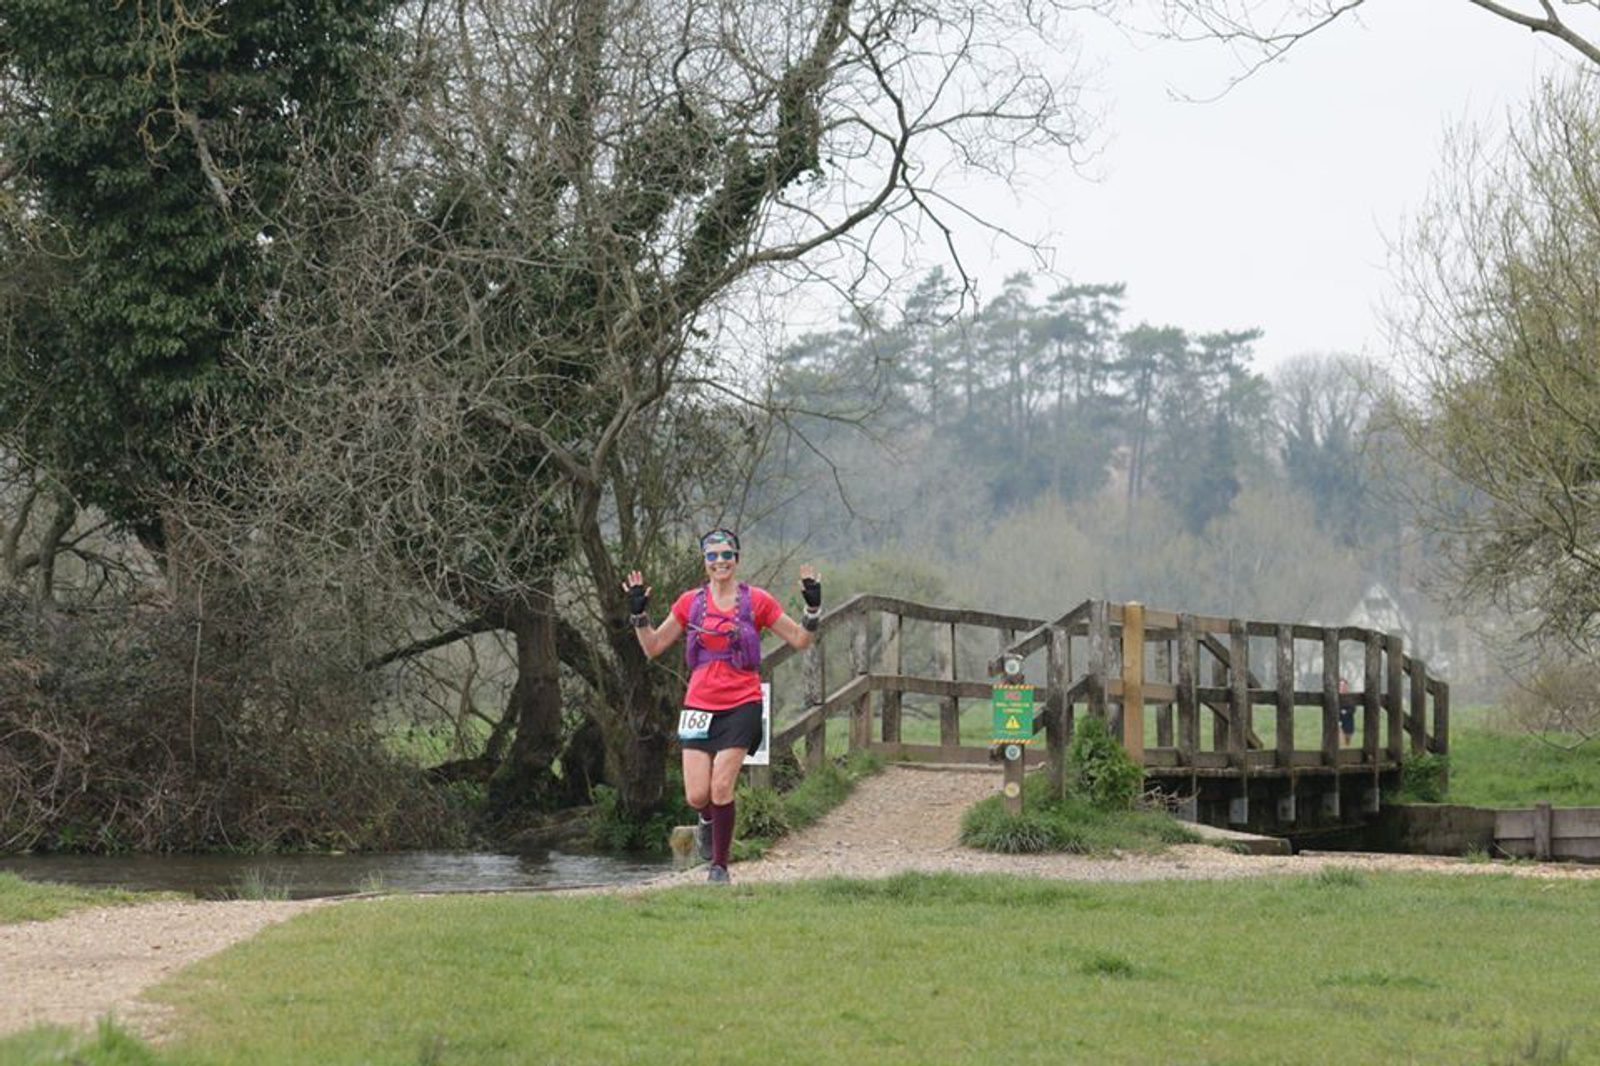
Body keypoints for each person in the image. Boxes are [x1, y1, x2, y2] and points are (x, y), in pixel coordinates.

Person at [623, 529, 821, 884]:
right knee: (698, 794)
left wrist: (812, 608)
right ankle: (707, 819)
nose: (720, 562)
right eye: (712, 556)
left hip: (742, 703)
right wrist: (639, 616)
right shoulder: (689, 603)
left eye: (726, 554)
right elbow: (652, 647)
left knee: (721, 787)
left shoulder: (757, 601)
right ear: (705, 562)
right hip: (699, 705)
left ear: (737, 558)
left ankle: (719, 867)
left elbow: (801, 640)